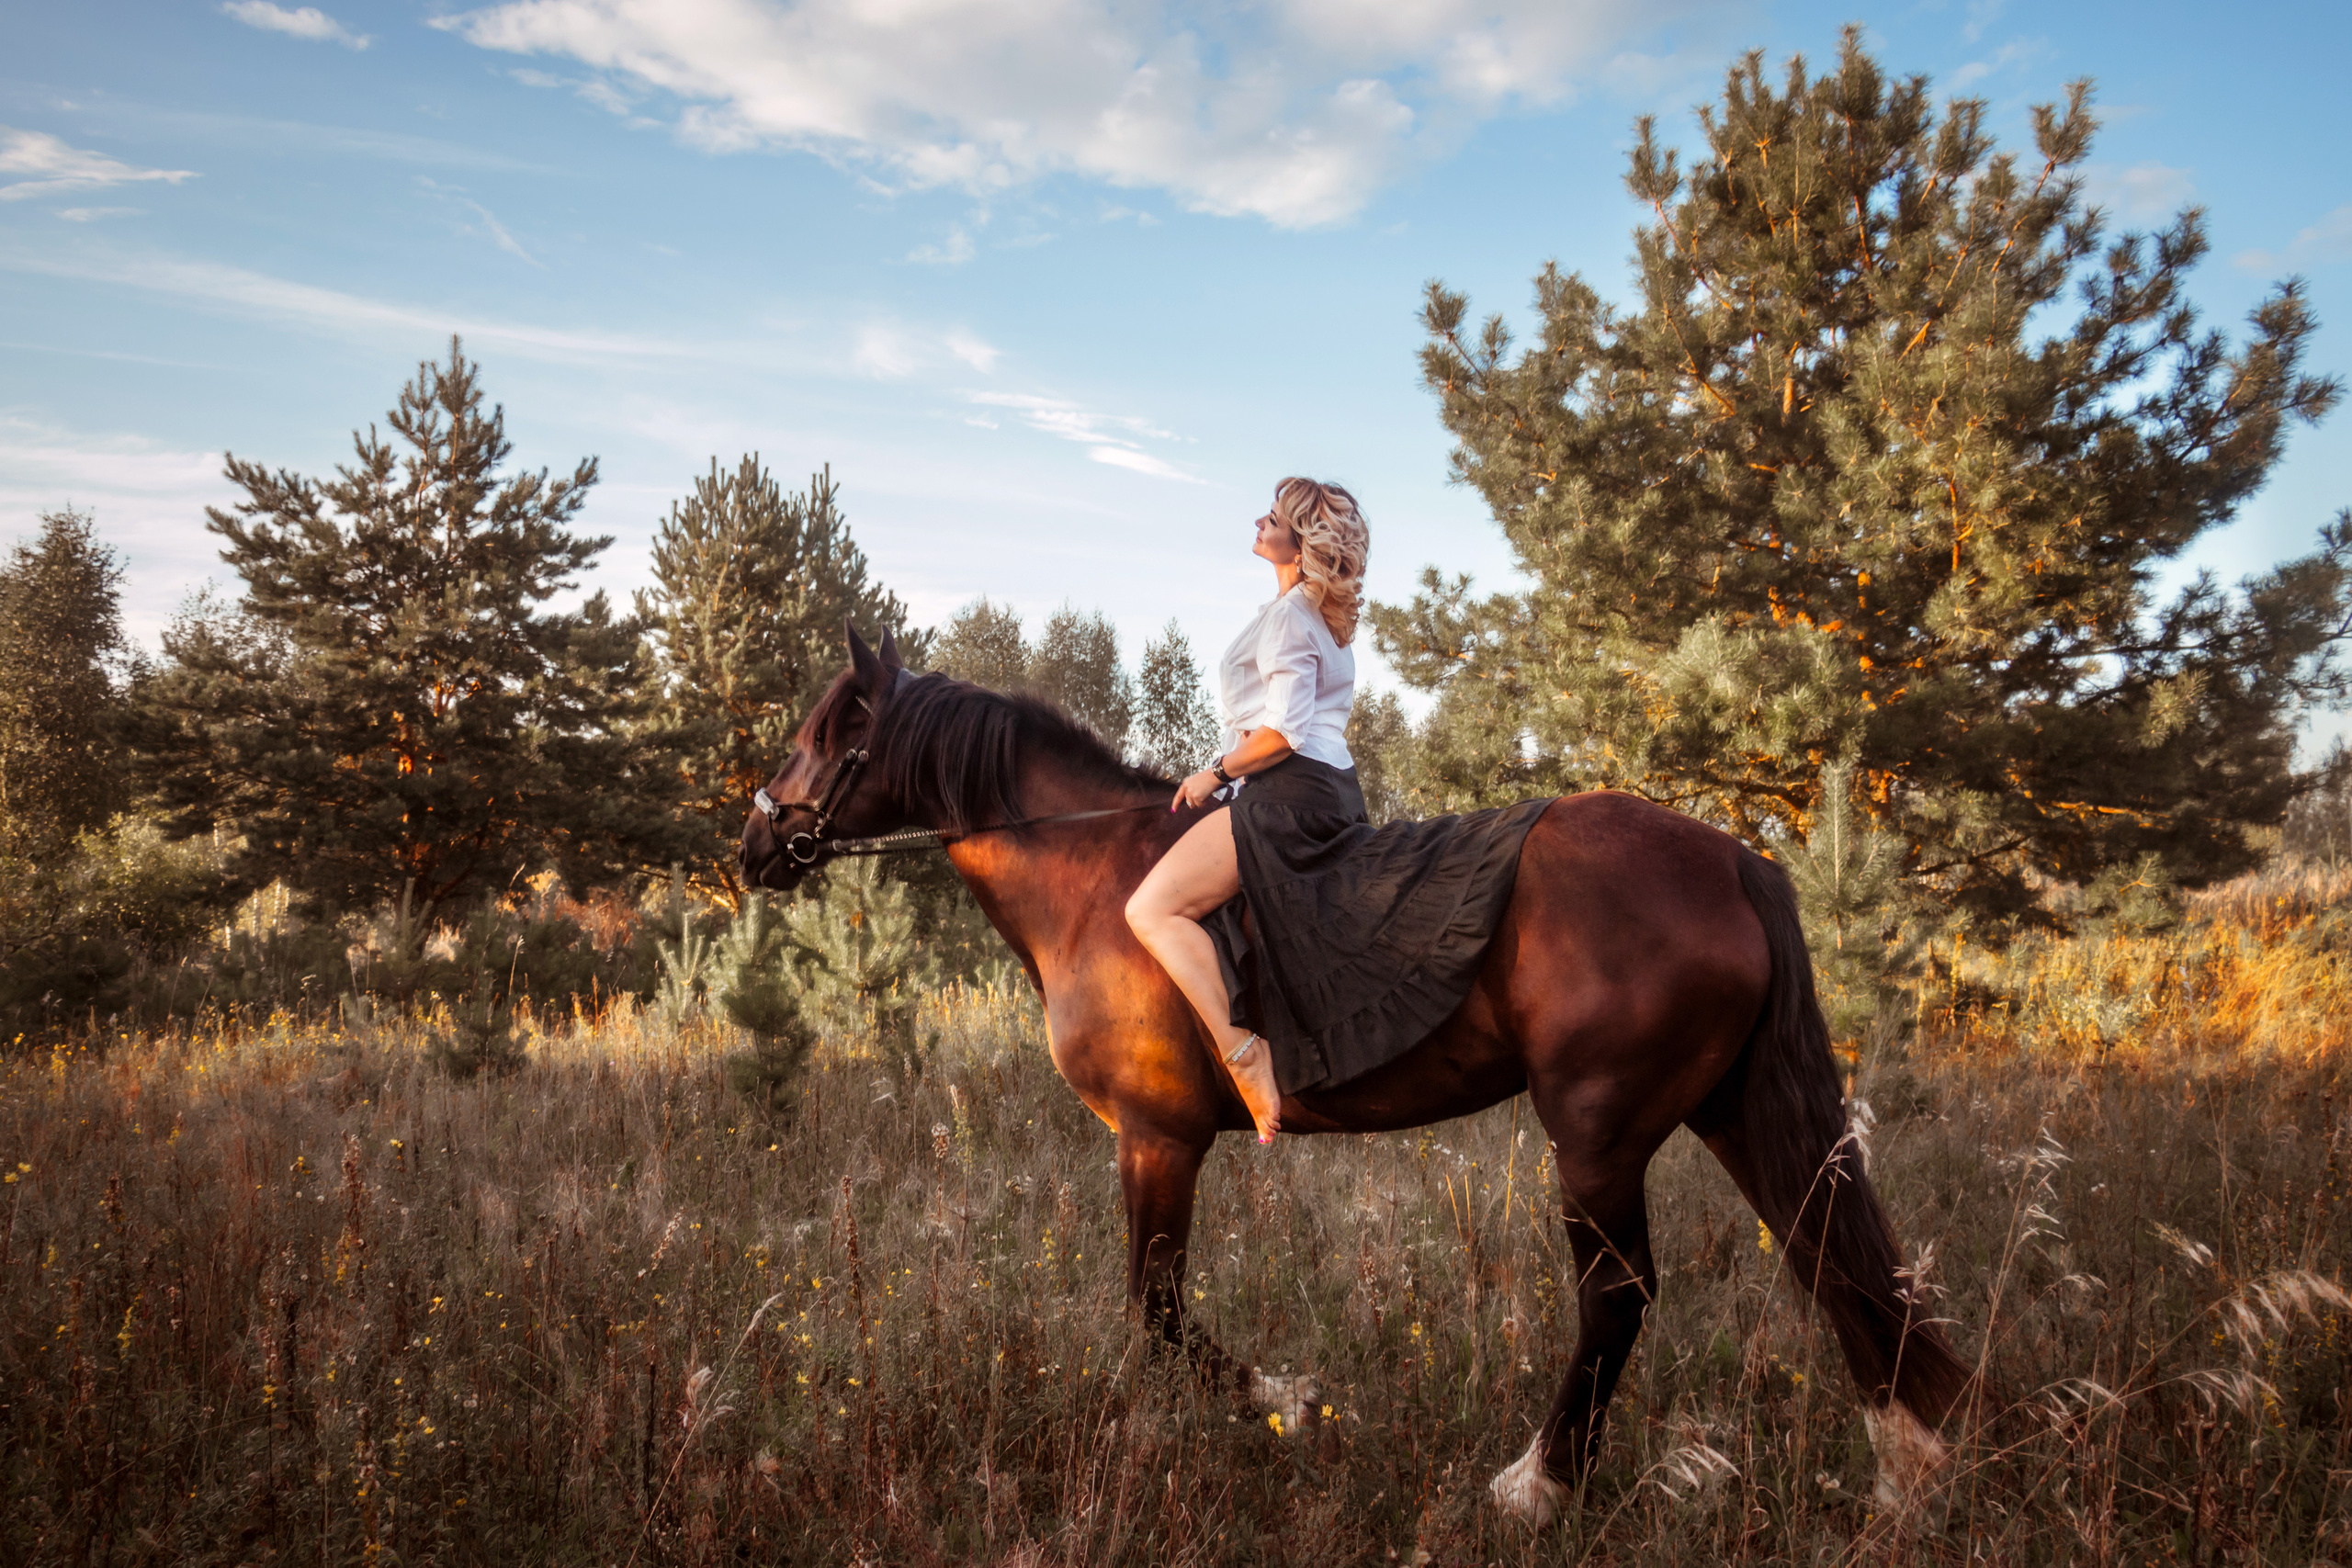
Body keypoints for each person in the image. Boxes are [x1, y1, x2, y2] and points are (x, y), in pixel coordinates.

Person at [1125, 477, 1369, 1145]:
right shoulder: (1317, 616)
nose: (1259, 520)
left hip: (1289, 794)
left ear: (1301, 542)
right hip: (1333, 789)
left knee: (1149, 909)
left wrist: (1216, 772)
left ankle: (1244, 1054)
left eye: (1275, 517)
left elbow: (1284, 730)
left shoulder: (1293, 616)